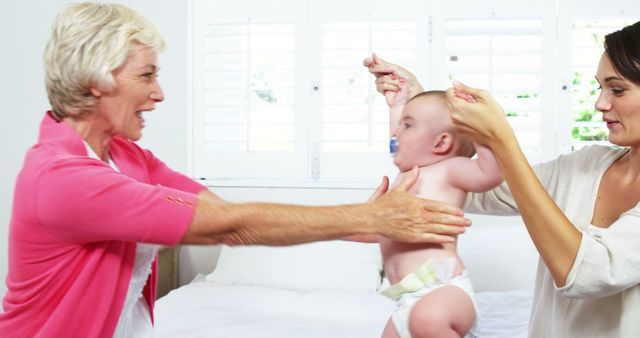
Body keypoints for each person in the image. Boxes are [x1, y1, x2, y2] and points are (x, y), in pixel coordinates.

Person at [0, 4, 473, 338]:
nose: (160, 92)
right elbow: (227, 226)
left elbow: (227, 216)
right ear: (94, 80)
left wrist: (359, 223)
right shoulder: (62, 179)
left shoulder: (125, 157)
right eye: (146, 75)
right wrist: (368, 219)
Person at [367, 20, 640, 338]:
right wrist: (421, 112)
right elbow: (469, 188)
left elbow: (584, 274)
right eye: (599, 88)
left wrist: (502, 140)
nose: (600, 103)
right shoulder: (585, 165)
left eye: (617, 89)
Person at [353, 57, 503, 338]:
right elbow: (375, 230)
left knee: (427, 320)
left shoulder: (449, 172)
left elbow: (491, 172)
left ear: (442, 143)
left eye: (407, 125)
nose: (396, 132)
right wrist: (398, 105)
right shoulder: (408, 175)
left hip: (442, 291)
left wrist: (482, 131)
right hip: (405, 301)